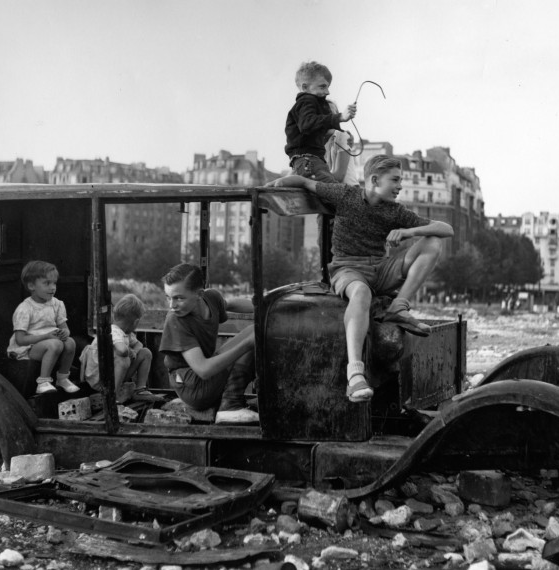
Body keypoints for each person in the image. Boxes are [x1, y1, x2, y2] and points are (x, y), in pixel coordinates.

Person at [267, 155, 454, 403]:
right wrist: (282, 182)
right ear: (375, 180)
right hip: (348, 269)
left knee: (432, 242)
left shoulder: (395, 210)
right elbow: (306, 182)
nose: (400, 186)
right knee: (361, 293)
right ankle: (355, 376)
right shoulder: (346, 195)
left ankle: (399, 306)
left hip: (380, 268)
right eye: (395, 180)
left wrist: (410, 231)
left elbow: (446, 229)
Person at [159, 263, 258, 424]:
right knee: (252, 337)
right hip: (192, 387)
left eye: (179, 298)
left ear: (199, 294)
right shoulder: (176, 320)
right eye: (168, 297)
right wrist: (247, 344)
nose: (172, 305)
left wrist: (265, 307)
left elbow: (230, 304)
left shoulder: (211, 298)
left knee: (257, 329)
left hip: (206, 378)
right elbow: (204, 370)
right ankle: (230, 405)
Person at [6, 260, 79, 395]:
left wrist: (64, 333)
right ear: (31, 285)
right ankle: (43, 382)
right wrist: (46, 336)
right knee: (54, 345)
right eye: (47, 283)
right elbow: (20, 340)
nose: (52, 287)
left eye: (54, 283)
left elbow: (66, 328)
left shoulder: (56, 304)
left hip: (50, 341)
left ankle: (62, 378)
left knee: (70, 343)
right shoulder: (25, 308)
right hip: (28, 349)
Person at [285, 61, 357, 182]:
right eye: (323, 86)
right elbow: (308, 123)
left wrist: (343, 133)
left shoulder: (309, 103)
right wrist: (339, 117)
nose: (328, 92)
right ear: (304, 87)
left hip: (310, 160)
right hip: (309, 161)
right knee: (332, 190)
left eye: (328, 87)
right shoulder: (306, 101)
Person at [80, 293, 156, 402]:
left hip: (112, 376)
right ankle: (112, 398)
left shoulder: (126, 333)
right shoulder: (114, 331)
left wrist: (134, 351)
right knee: (123, 359)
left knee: (145, 352)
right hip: (100, 379)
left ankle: (140, 389)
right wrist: (130, 351)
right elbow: (122, 350)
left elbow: (139, 345)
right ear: (136, 322)